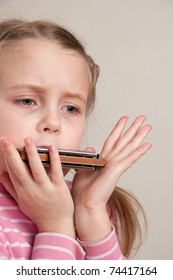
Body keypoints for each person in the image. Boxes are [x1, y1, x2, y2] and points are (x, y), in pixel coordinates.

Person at [0, 19, 152, 260]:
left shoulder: (91, 204)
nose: (54, 123)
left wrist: (90, 214)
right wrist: (56, 226)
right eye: (27, 100)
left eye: (70, 108)